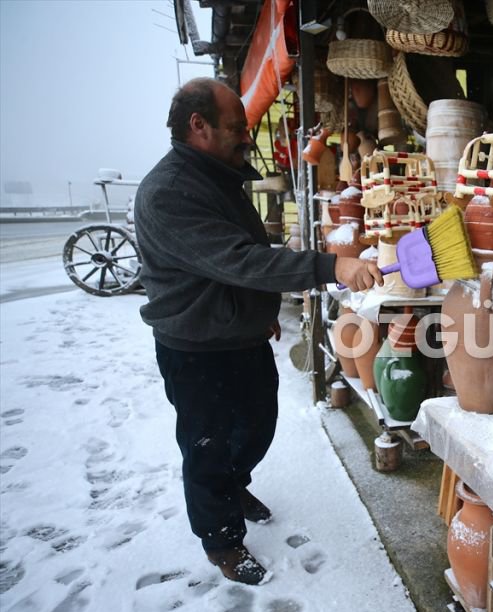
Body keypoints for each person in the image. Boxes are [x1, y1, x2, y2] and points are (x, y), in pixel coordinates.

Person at [133, 78, 382, 585]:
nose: (246, 138)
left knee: (257, 425)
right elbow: (237, 260)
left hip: (238, 335)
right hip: (197, 347)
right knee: (207, 447)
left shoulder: (218, 176)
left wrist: (259, 308)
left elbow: (236, 256)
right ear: (197, 126)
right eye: (236, 128)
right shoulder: (168, 193)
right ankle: (221, 541)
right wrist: (329, 266)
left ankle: (232, 482)